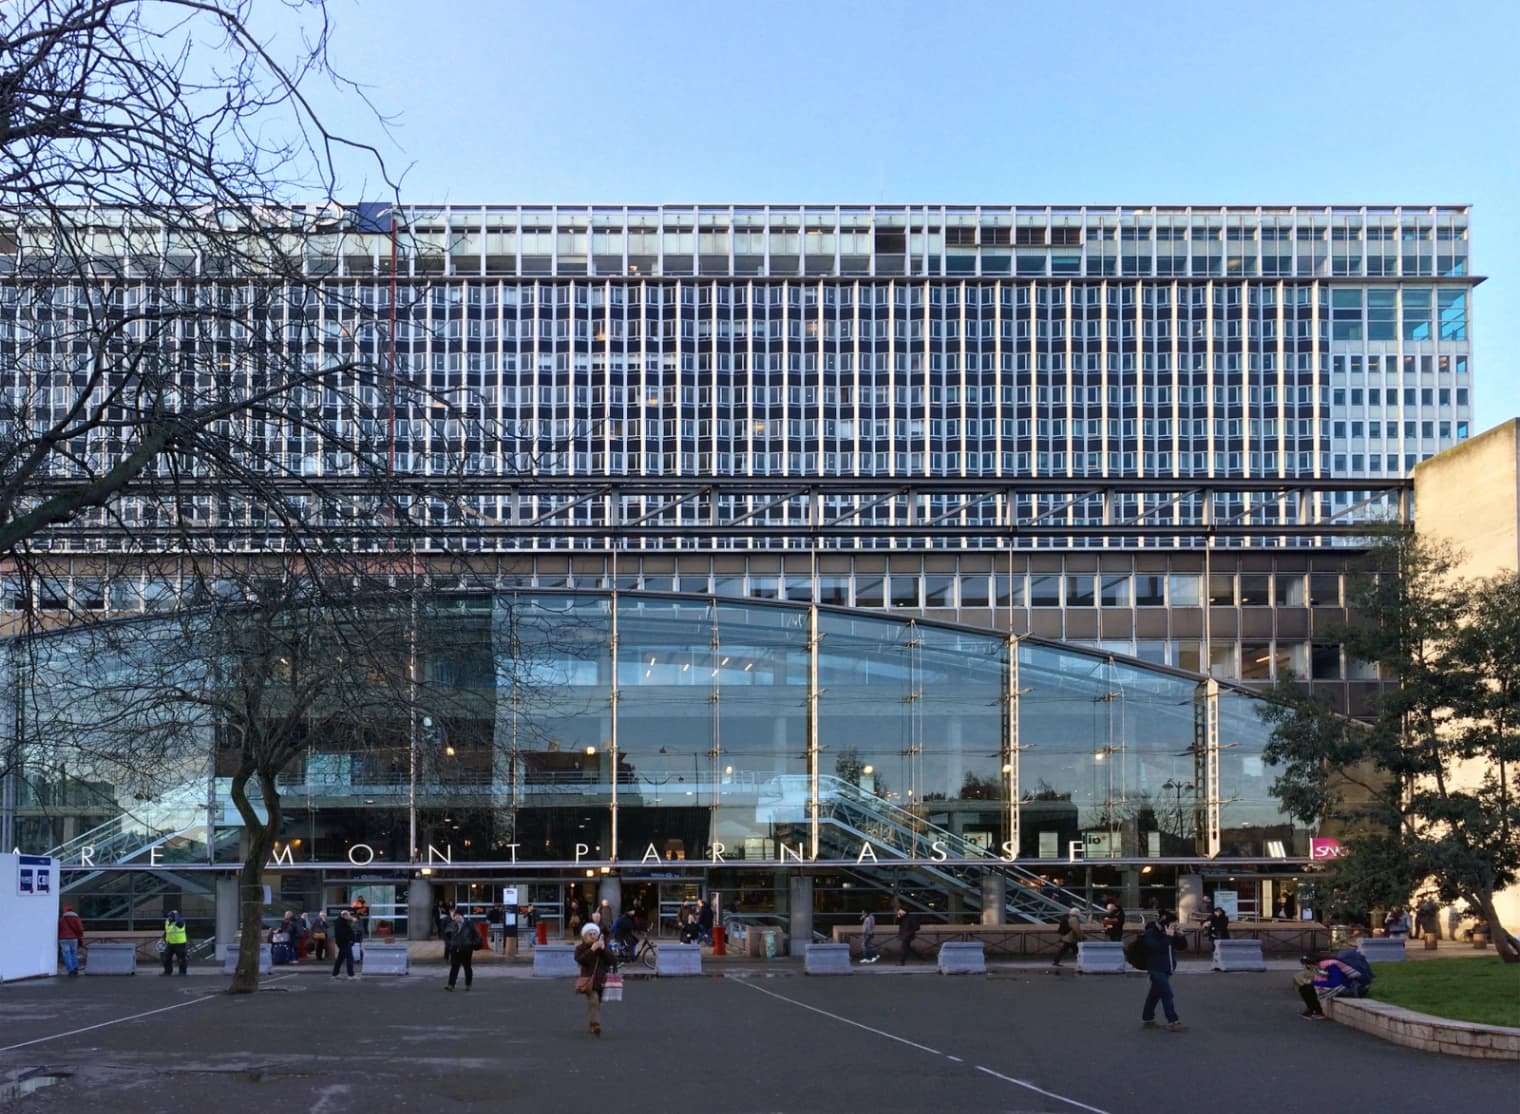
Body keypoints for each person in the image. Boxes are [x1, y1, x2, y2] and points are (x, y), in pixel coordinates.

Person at [1140, 910, 1188, 1031]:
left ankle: (1148, 1019)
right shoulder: (1151, 932)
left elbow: (1182, 947)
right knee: (1167, 994)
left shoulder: (1170, 933)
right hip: (1156, 968)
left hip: (1167, 968)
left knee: (1154, 995)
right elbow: (1156, 947)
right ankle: (1173, 1021)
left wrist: (1180, 935)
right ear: (1165, 923)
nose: (1174, 925)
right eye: (1172, 923)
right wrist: (1168, 936)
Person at [573, 922, 613, 1037]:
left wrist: (604, 949)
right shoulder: (580, 948)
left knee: (597, 1002)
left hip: (602, 979)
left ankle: (592, 1023)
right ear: (584, 936)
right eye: (589, 934)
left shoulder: (603, 946)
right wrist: (592, 949)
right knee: (594, 999)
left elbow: (612, 961)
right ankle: (596, 1025)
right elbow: (580, 960)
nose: (592, 935)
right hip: (589, 980)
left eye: (594, 933)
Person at [1295, 952, 1362, 1019]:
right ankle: (1314, 1010)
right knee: (1304, 988)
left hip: (1346, 988)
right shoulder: (1319, 967)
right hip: (1338, 987)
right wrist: (1312, 983)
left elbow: (1335, 982)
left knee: (1308, 988)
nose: (1306, 967)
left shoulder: (1331, 966)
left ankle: (1317, 1012)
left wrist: (1313, 983)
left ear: (1310, 964)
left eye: (1306, 965)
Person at [444, 909, 477, 991]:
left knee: (467, 967)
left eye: (459, 915)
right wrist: (449, 946)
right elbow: (447, 937)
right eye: (456, 915)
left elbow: (476, 935)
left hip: (466, 949)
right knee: (454, 967)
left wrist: (472, 944)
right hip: (455, 949)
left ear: (462, 916)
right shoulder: (451, 924)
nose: (457, 917)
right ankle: (451, 985)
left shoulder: (469, 924)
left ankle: (468, 984)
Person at [58, 904, 86, 977]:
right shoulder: (76, 918)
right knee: (74, 953)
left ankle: (70, 970)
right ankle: (75, 968)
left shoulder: (61, 919)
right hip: (73, 938)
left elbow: (58, 929)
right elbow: (80, 929)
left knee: (66, 954)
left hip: (63, 939)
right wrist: (80, 935)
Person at [331, 909, 358, 979]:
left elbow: (348, 930)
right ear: (344, 915)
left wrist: (352, 920)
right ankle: (351, 975)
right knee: (349, 958)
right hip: (344, 943)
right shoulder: (340, 923)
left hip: (343, 942)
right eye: (348, 915)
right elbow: (342, 934)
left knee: (340, 958)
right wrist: (349, 940)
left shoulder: (342, 922)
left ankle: (335, 973)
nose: (349, 916)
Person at [162, 910, 188, 976]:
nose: (169, 918)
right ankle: (167, 972)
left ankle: (182, 972)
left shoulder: (180, 921)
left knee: (181, 959)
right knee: (166, 958)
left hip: (180, 943)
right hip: (170, 943)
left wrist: (176, 916)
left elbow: (180, 924)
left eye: (170, 916)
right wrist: (164, 937)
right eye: (168, 916)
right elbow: (167, 931)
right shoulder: (167, 921)